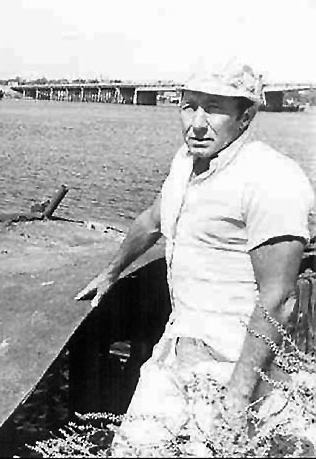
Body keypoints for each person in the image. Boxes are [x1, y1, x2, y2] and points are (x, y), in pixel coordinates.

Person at [75, 62, 314, 454]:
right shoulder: (186, 162)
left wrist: (237, 398)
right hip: (176, 349)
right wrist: (110, 272)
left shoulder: (270, 179)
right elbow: (153, 220)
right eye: (189, 106)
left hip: (237, 366)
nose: (197, 123)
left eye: (214, 108)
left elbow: (280, 298)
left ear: (246, 115)